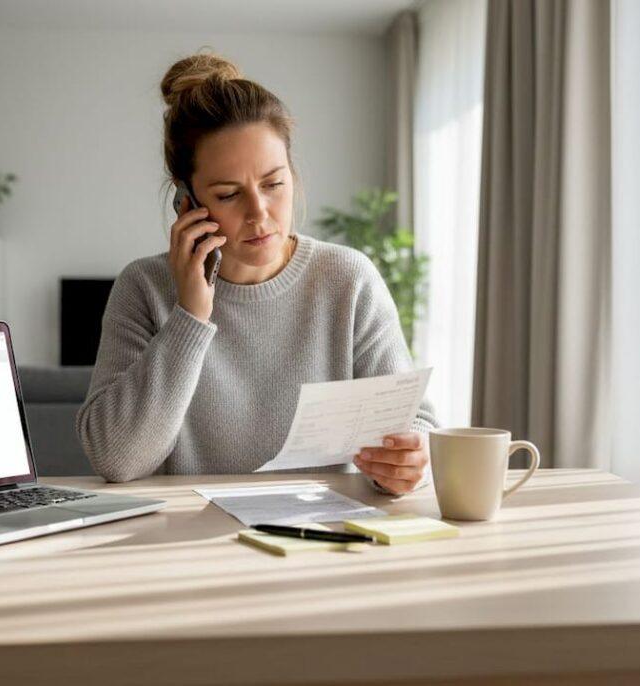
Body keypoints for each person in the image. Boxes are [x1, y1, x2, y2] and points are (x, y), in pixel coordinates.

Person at [76, 52, 438, 495]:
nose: (259, 213)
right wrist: (190, 314)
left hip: (318, 527)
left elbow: (413, 423)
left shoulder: (347, 279)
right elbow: (117, 459)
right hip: (191, 532)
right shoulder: (144, 287)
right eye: (229, 194)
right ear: (186, 202)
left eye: (273, 184)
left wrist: (411, 459)